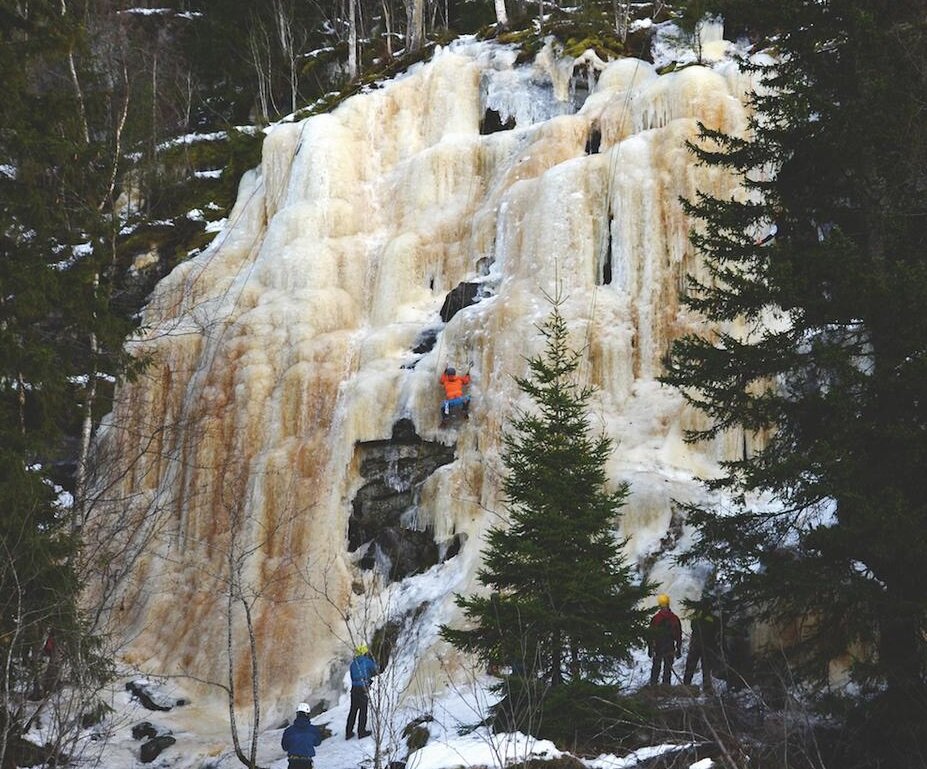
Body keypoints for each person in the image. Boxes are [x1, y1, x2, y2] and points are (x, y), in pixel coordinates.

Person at [683, 596, 720, 693]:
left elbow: (693, 625)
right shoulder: (711, 618)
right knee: (706, 667)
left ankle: (686, 685)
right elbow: (716, 628)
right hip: (706, 645)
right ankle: (706, 688)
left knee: (691, 666)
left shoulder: (697, 616)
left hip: (696, 644)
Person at [345, 643, 378, 740]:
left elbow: (352, 677)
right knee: (363, 711)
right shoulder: (367, 661)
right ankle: (361, 732)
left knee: (353, 711)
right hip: (363, 688)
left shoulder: (353, 664)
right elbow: (375, 670)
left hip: (354, 689)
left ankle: (348, 732)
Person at [648, 593, 682, 686]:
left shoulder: (656, 618)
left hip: (658, 647)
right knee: (667, 670)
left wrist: (650, 649)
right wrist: (679, 649)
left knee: (656, 668)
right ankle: (666, 688)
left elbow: (650, 635)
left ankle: (653, 687)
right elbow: (679, 635)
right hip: (670, 647)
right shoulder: (674, 618)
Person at [281, 702, 322, 769]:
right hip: (307, 762)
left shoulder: (289, 730)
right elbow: (317, 743)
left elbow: (285, 747)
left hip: (293, 763)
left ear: (297, 714)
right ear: (307, 714)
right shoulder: (313, 730)